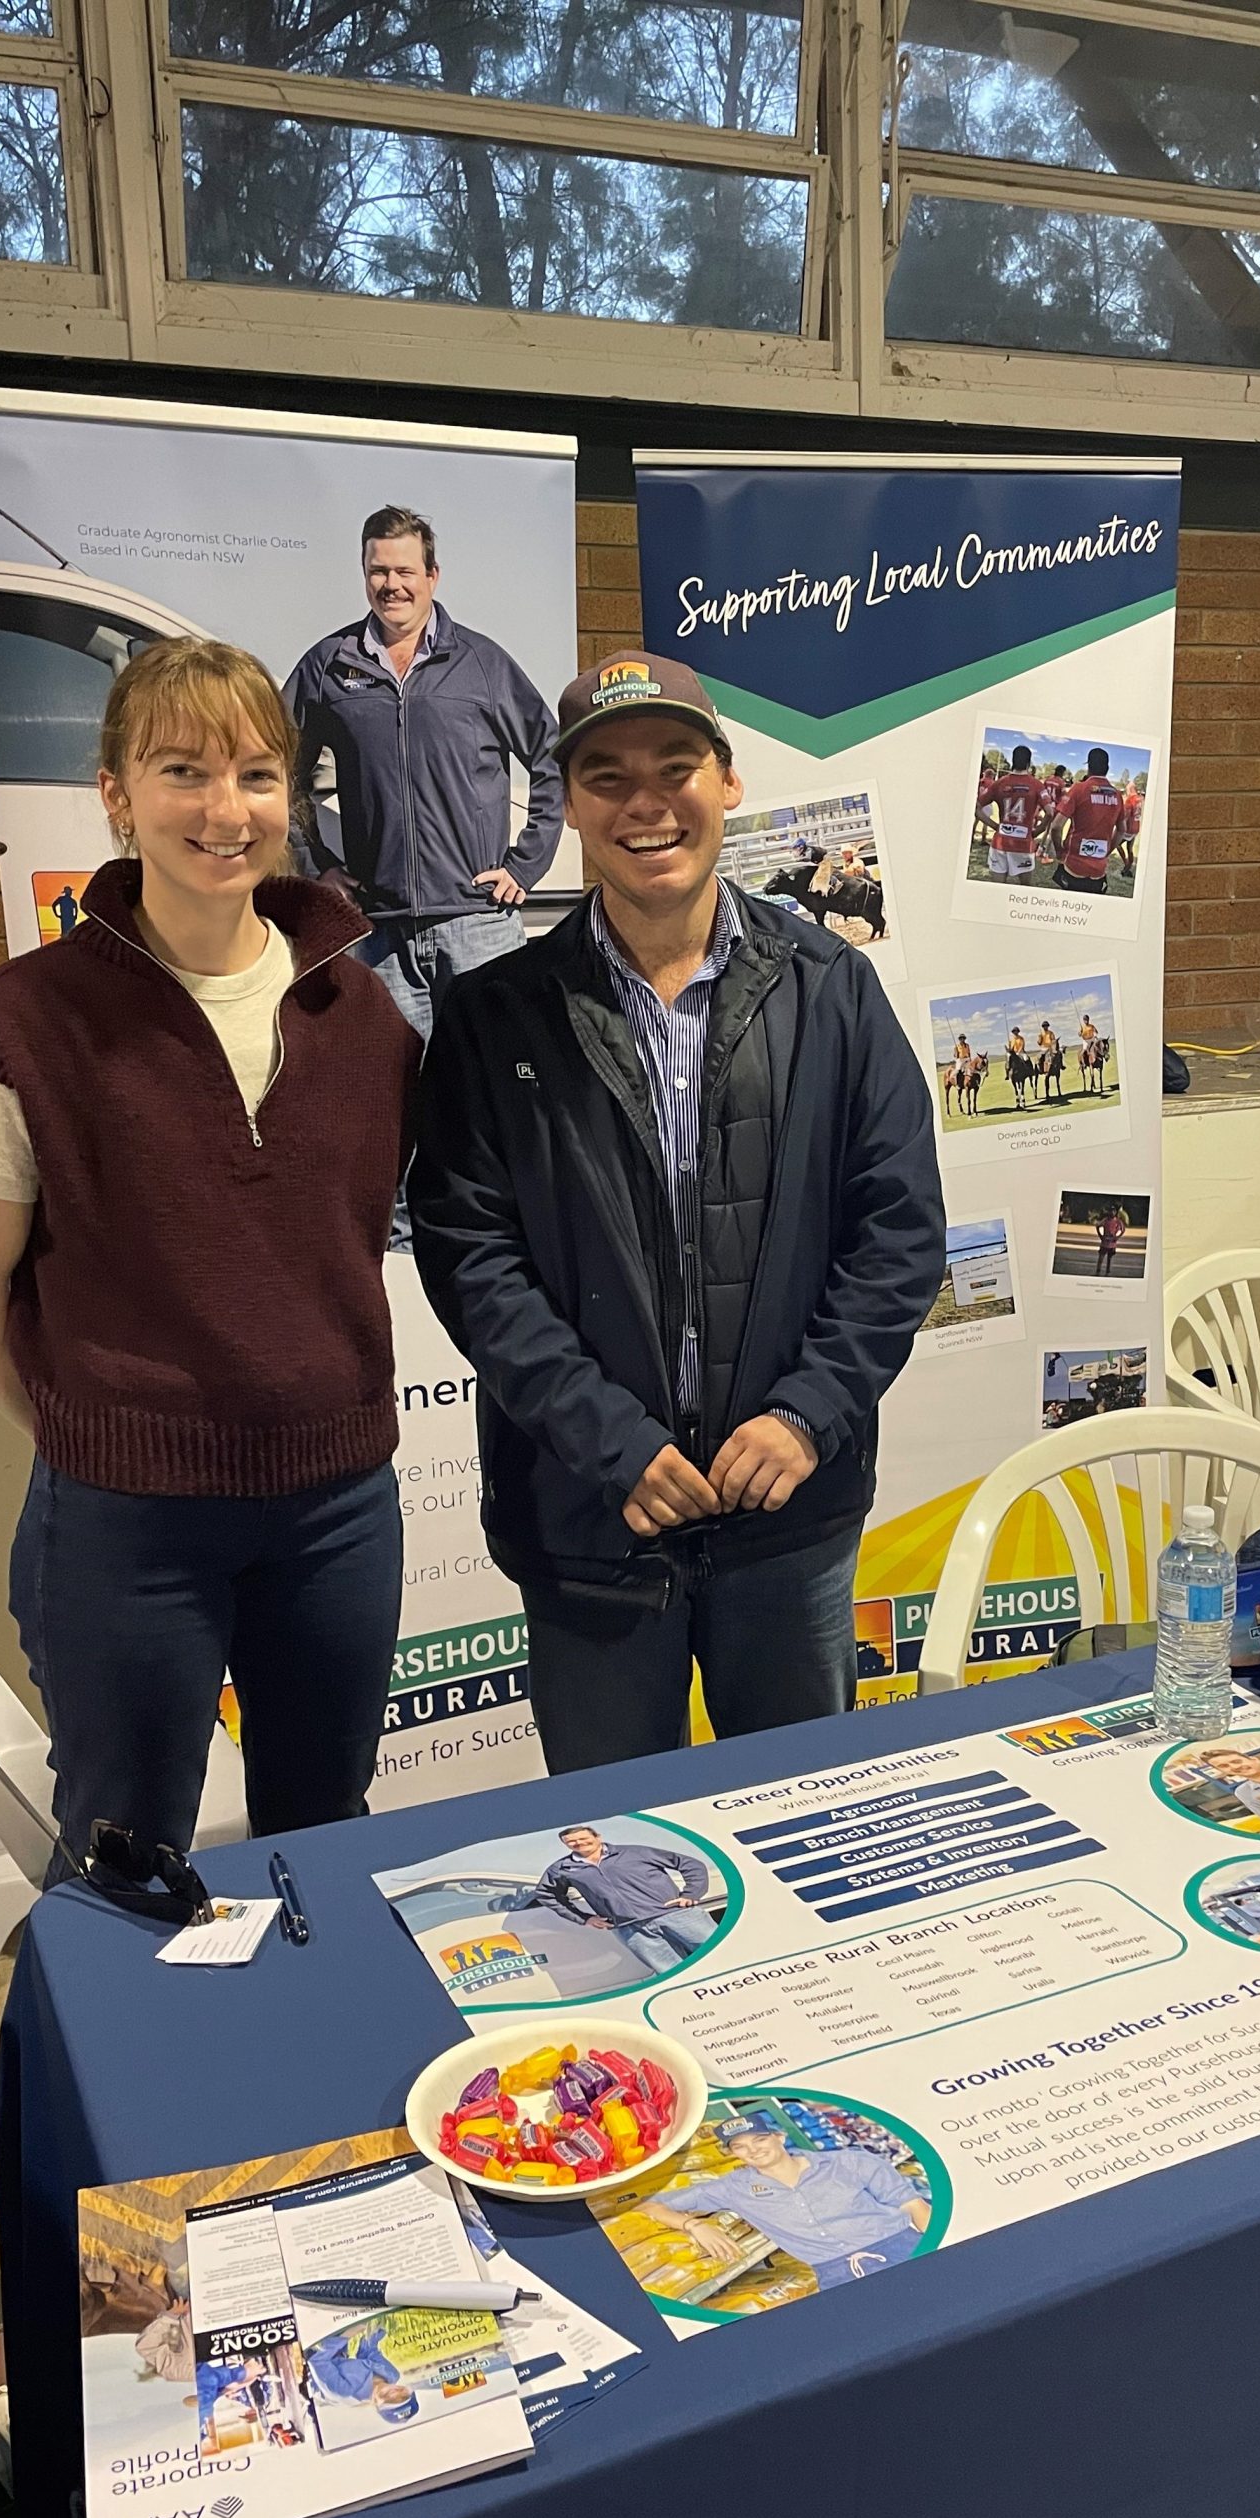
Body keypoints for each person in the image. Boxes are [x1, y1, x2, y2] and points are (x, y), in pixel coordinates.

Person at [0, 639, 419, 1869]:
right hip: (127, 1528)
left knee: (326, 1839)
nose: (222, 808)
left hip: (338, 1513)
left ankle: (312, 2059)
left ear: (288, 799)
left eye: (255, 773)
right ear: (114, 792)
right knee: (126, 1852)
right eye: (183, 770)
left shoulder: (364, 1018)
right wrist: (96, 1434)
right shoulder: (24, 1025)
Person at [409, 652, 944, 1771]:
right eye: (606, 776)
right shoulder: (496, 1015)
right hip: (591, 1525)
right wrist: (610, 1441)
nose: (645, 802)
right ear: (571, 809)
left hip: (787, 1524)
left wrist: (805, 1414)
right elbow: (469, 1256)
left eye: (675, 765)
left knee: (803, 1834)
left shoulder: (832, 989)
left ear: (729, 781)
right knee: (615, 1867)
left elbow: (896, 1231)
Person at [285, 504, 563, 1241]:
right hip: (378, 933)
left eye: (405, 571)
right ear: (364, 573)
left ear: (432, 577)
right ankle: (407, 1248)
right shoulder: (330, 666)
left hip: (478, 925)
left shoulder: (481, 663)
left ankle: (507, 1231)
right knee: (388, 1100)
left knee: (497, 1085)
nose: (391, 584)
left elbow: (551, 758)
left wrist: (525, 863)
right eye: (378, 569)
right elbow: (276, 769)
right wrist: (318, 865)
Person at [640, 2118, 929, 2291]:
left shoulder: (849, 2161)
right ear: (733, 2153)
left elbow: (915, 2207)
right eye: (740, 2146)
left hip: (901, 2247)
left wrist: (939, 2254)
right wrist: (694, 2225)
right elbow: (649, 2205)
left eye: (760, 2138)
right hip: (835, 2274)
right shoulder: (732, 2188)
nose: (753, 2149)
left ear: (779, 2136)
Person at [521, 1823, 716, 1974]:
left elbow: (690, 1864)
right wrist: (584, 1918)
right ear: (565, 1844)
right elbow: (547, 1894)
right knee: (671, 1972)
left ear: (598, 1837)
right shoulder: (562, 1869)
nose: (579, 1843)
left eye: (583, 1838)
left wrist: (690, 1894)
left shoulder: (635, 1852)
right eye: (572, 1841)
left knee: (720, 1952)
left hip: (676, 1915)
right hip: (631, 1929)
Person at [304, 2328, 418, 2425]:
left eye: (391, 2401)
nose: (394, 2394)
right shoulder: (391, 2374)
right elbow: (368, 2351)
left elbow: (317, 2360)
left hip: (308, 2358)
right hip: (336, 2350)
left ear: (377, 2406)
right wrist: (378, 2325)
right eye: (403, 2396)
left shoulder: (345, 2392)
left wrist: (348, 2334)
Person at [975, 744, 1050, 880]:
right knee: (1024, 890)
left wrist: (995, 826)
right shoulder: (1036, 784)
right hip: (1023, 844)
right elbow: (1050, 813)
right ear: (1028, 763)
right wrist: (1037, 831)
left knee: (997, 888)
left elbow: (977, 807)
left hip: (1000, 842)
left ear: (1012, 761)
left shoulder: (999, 783)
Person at [1055, 750, 1125, 891]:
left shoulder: (1079, 789)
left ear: (1089, 767)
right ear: (1107, 768)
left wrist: (1059, 852)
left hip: (1074, 866)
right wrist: (1108, 850)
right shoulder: (1117, 795)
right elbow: (1122, 830)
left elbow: (1056, 826)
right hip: (1098, 871)